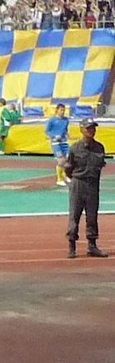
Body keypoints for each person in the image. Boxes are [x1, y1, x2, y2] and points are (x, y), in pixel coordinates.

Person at [65, 119, 107, 258]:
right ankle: (72, 246)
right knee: (74, 216)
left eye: (93, 128)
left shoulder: (99, 148)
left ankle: (92, 245)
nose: (91, 131)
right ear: (81, 130)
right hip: (78, 183)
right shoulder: (75, 148)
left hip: (93, 185)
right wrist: (75, 179)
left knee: (92, 216)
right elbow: (68, 168)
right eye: (88, 128)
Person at [46, 103, 71, 187]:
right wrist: (54, 136)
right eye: (61, 110)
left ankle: (64, 174)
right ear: (57, 110)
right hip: (56, 143)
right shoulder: (52, 120)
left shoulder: (66, 120)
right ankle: (59, 179)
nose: (63, 112)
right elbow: (47, 131)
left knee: (67, 159)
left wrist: (68, 136)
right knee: (60, 160)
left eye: (64, 110)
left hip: (64, 142)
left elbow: (65, 130)